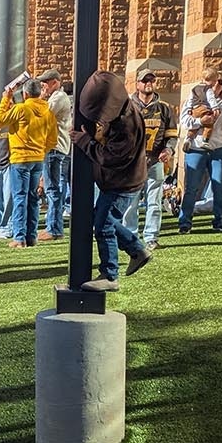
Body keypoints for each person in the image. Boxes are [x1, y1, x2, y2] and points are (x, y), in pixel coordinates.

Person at [72, 71, 155, 291]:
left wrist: (86, 143)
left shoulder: (127, 125)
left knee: (104, 224)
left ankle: (110, 275)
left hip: (123, 184)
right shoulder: (122, 112)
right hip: (119, 182)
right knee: (103, 220)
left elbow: (111, 157)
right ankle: (137, 250)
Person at [0, 78, 59, 248]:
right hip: (38, 158)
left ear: (25, 94)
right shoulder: (48, 111)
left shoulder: (21, 108)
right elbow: (53, 140)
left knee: (19, 198)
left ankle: (19, 237)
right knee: (33, 198)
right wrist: (41, 150)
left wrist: (6, 98)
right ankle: (31, 236)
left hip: (20, 158)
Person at [178, 70, 222, 234]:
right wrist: (200, 121)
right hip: (196, 148)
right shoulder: (195, 97)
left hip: (219, 148)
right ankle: (185, 222)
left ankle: (219, 220)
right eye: (214, 82)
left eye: (220, 82)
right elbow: (184, 121)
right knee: (192, 187)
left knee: (219, 185)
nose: (215, 85)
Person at [127, 71, 176, 248]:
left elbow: (171, 134)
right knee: (130, 203)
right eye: (145, 80)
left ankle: (151, 237)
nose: (148, 83)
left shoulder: (164, 108)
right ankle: (130, 237)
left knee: (154, 202)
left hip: (155, 160)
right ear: (137, 83)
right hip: (132, 162)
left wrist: (169, 150)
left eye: (152, 80)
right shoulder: (127, 106)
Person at [39, 70, 73, 241]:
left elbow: (43, 115)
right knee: (53, 188)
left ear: (55, 82)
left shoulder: (58, 97)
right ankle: (53, 226)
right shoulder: (57, 97)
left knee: (54, 189)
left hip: (56, 147)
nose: (43, 86)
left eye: (46, 82)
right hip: (55, 148)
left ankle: (54, 228)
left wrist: (40, 98)